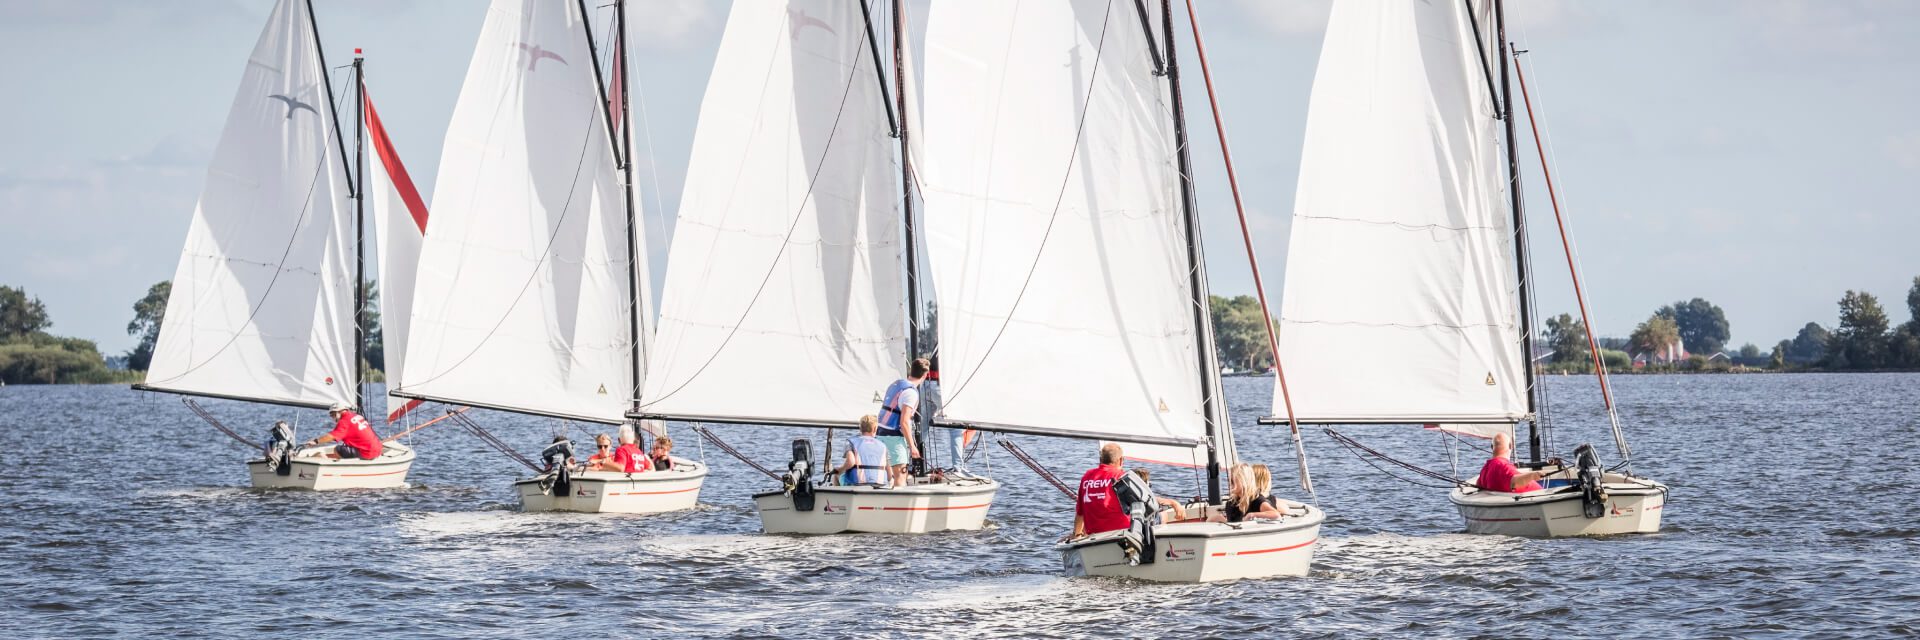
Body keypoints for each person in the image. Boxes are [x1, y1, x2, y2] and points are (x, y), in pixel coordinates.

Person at [876, 358, 929, 487]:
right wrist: (912, 447)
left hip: (880, 433)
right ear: (925, 375)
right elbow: (904, 422)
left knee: (888, 475)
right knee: (900, 475)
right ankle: (898, 505)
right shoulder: (911, 393)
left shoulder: (897, 383)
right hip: (894, 437)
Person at [1070, 443, 1130, 539]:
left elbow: (1080, 512)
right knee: (1162, 515)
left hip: (1093, 536)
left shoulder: (1087, 476)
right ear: (1121, 460)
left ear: (1100, 460)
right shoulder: (1122, 477)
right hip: (1121, 534)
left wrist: (1076, 535)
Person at [1477, 432, 1552, 493]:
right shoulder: (1502, 465)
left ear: (1491, 447)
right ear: (1510, 446)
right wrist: (1533, 475)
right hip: (1536, 502)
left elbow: (1478, 484)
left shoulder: (1486, 468)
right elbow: (1514, 482)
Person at [304, 402, 382, 460]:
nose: (332, 418)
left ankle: (338, 466)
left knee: (337, 449)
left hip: (367, 453)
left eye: (333, 415)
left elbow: (331, 436)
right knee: (344, 448)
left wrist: (316, 441)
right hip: (378, 450)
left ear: (339, 411)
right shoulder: (357, 416)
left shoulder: (344, 421)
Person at [834, 415, 891, 486]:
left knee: (836, 476)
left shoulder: (851, 442)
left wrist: (840, 470)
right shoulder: (883, 445)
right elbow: (889, 475)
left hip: (857, 484)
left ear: (860, 428)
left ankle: (839, 496)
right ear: (875, 428)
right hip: (880, 485)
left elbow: (851, 462)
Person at [1214, 463, 1280, 523]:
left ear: (1243, 481)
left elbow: (1275, 514)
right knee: (1215, 518)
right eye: (1229, 480)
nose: (1229, 484)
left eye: (1232, 481)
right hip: (1235, 534)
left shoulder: (1257, 500)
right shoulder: (1231, 503)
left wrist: (1252, 515)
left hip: (1250, 534)